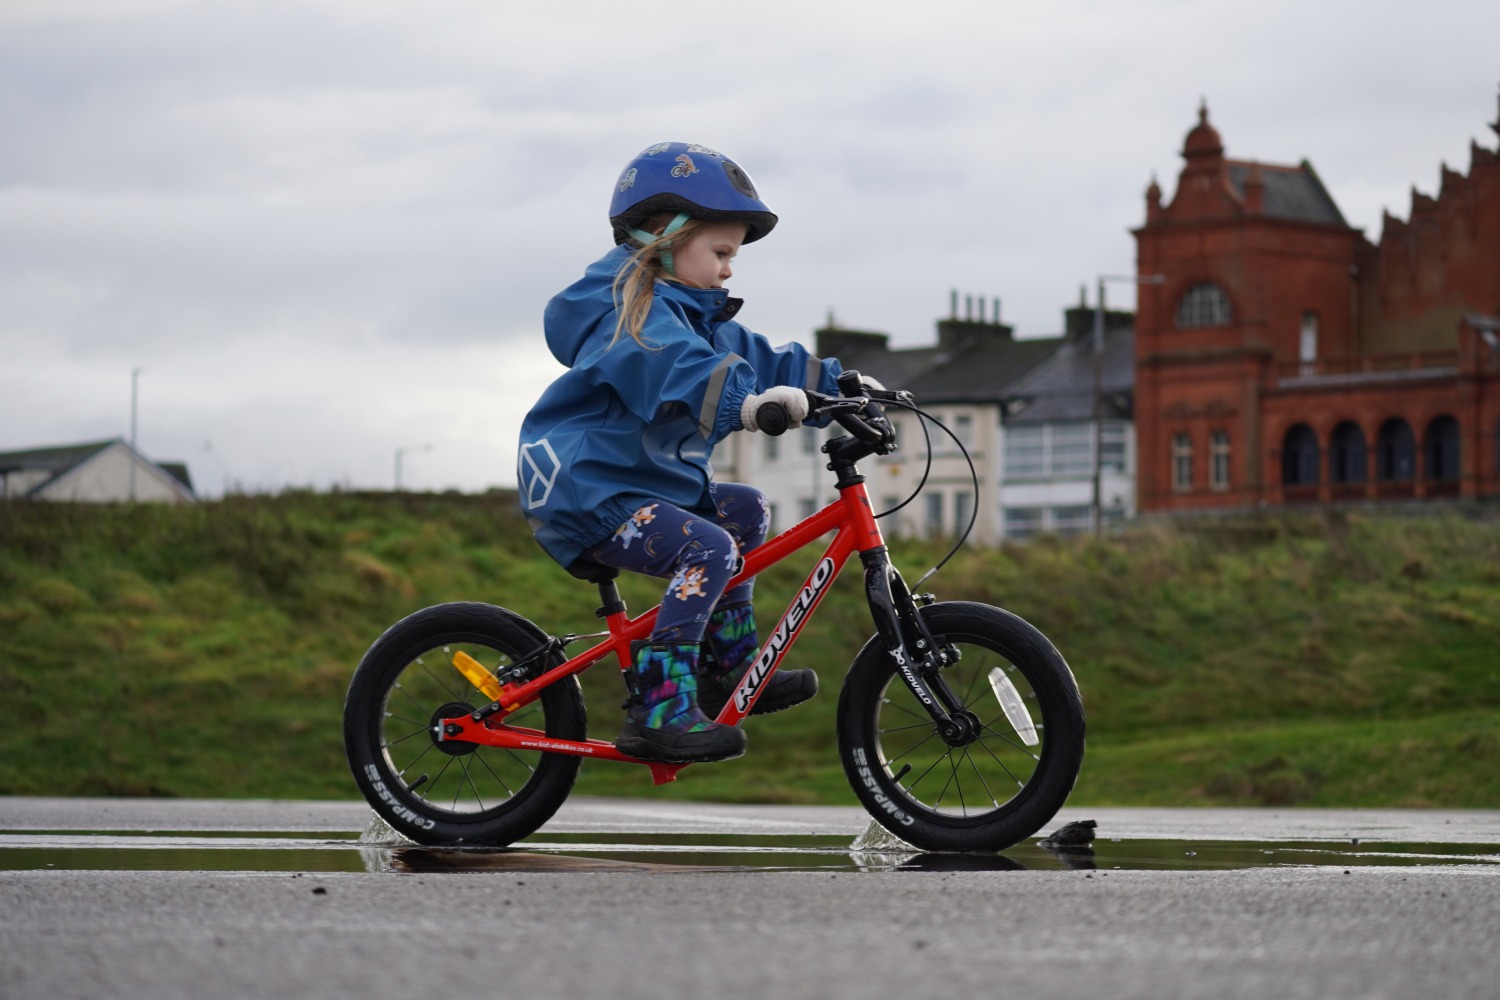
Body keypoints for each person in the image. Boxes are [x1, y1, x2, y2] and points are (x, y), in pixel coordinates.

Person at [516, 141, 847, 765]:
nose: (728, 270)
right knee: (710, 546)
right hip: (590, 492)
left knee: (743, 511)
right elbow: (673, 364)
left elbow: (761, 357)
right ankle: (661, 706)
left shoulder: (699, 318)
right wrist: (746, 405)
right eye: (721, 253)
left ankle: (729, 665)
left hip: (640, 485)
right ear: (664, 237)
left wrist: (841, 383)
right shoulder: (624, 309)